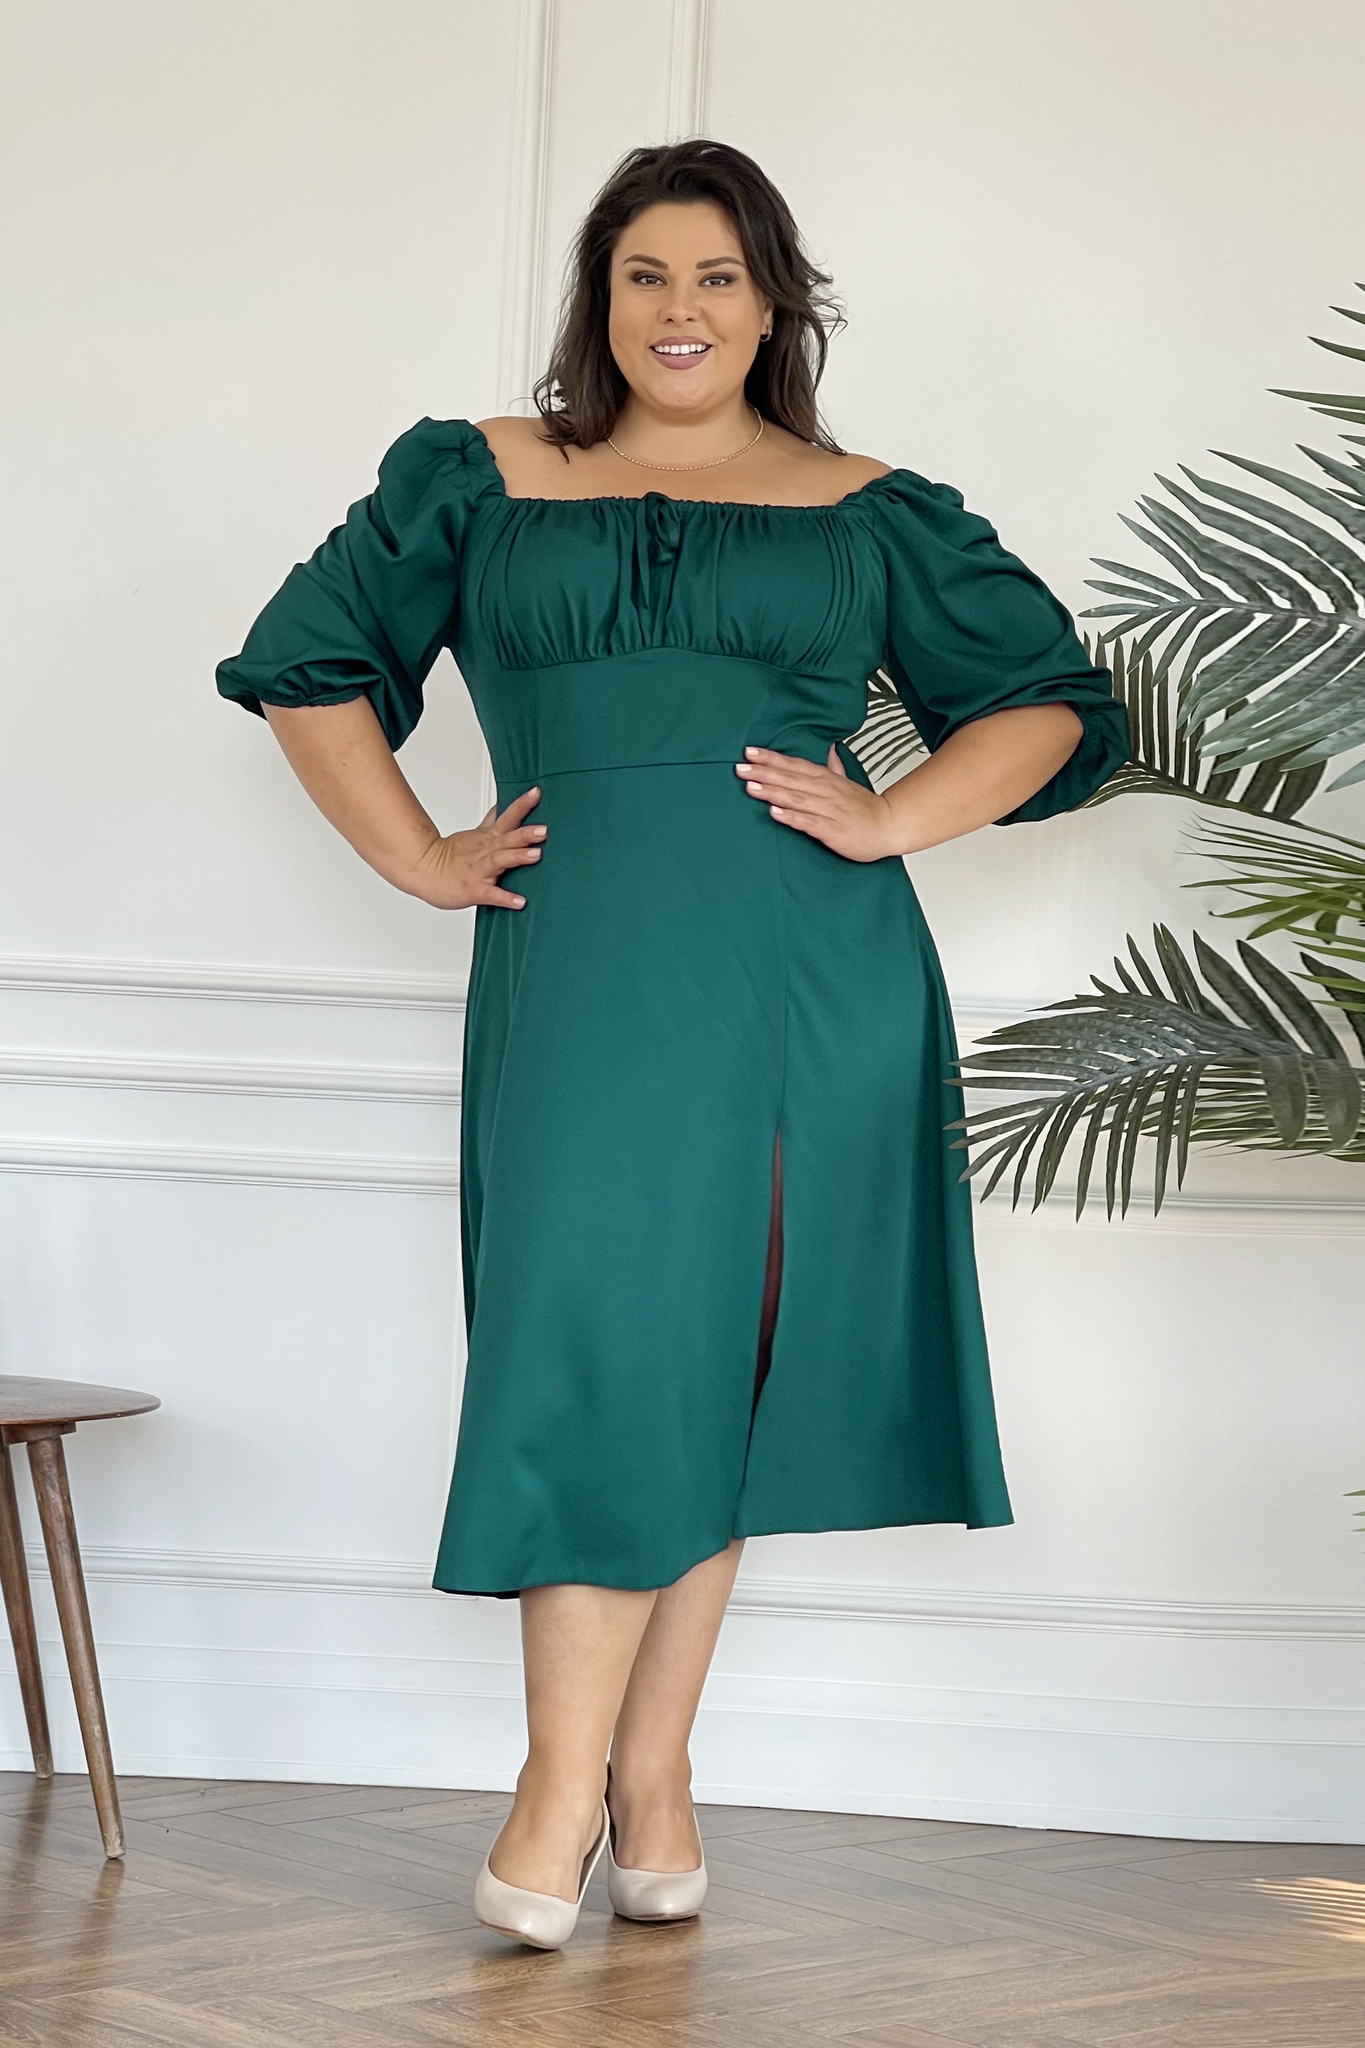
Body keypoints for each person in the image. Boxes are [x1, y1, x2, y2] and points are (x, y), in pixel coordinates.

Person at [216, 138, 1129, 1949]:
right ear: (601, 297)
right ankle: (594, 1781)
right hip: (579, 969)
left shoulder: (869, 508)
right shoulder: (478, 476)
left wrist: (891, 817)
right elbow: (305, 662)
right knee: (599, 1348)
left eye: (718, 275)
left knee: (719, 1361)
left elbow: (1045, 704)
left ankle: (623, 1784)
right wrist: (417, 856)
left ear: (774, 302)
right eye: (646, 274)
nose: (682, 309)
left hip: (806, 977)